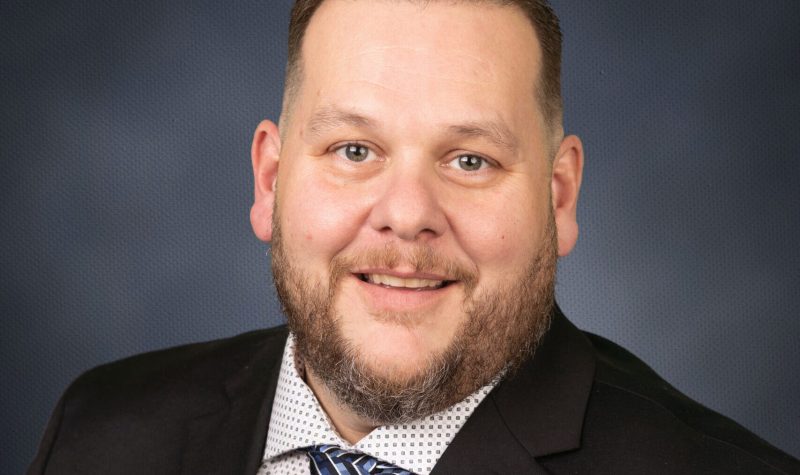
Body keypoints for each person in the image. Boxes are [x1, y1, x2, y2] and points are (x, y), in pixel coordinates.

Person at [28, 1, 799, 474]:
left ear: (559, 196)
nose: (406, 213)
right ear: (268, 180)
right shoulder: (99, 433)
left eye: (470, 159)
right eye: (354, 150)